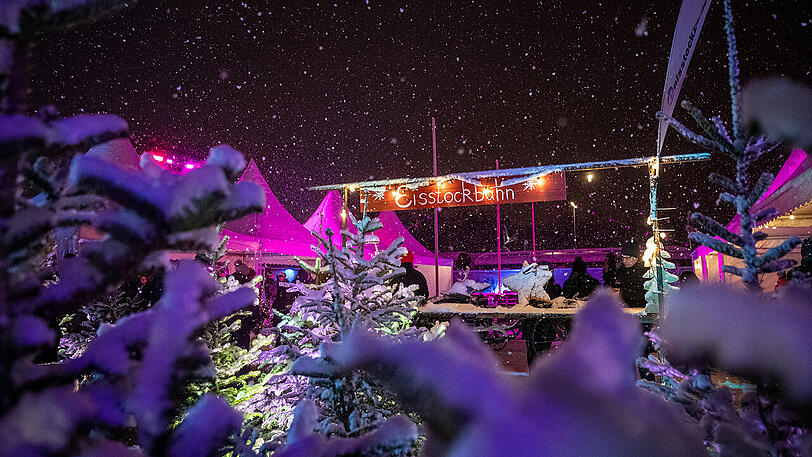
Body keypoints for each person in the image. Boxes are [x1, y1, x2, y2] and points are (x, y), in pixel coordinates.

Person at [615, 242, 647, 307]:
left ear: (635, 257)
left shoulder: (644, 273)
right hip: (625, 309)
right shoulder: (622, 270)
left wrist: (621, 294)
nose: (624, 261)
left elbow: (643, 295)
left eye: (627, 258)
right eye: (623, 258)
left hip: (639, 310)